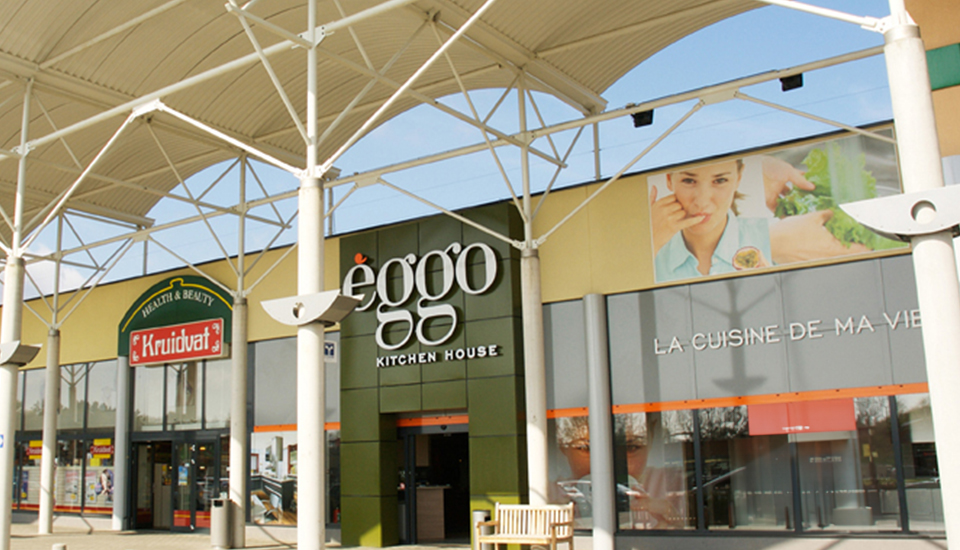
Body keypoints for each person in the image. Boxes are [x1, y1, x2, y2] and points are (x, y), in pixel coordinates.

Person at [650, 156, 868, 282]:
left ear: (739, 178)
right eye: (689, 181)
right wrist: (648, 241)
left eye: (720, 180)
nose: (702, 201)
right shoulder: (653, 249)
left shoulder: (789, 236)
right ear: (670, 181)